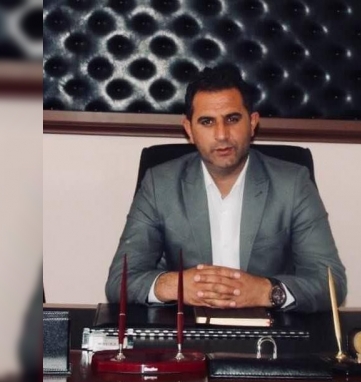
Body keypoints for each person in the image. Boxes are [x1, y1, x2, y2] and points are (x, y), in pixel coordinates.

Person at [105, 65, 346, 313]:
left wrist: (266, 291)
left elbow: (331, 283)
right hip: (188, 329)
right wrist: (175, 286)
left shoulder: (293, 183)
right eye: (207, 122)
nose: (221, 135)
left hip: (270, 330)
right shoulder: (159, 184)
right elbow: (119, 282)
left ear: (252, 123)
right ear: (189, 130)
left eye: (232, 119)